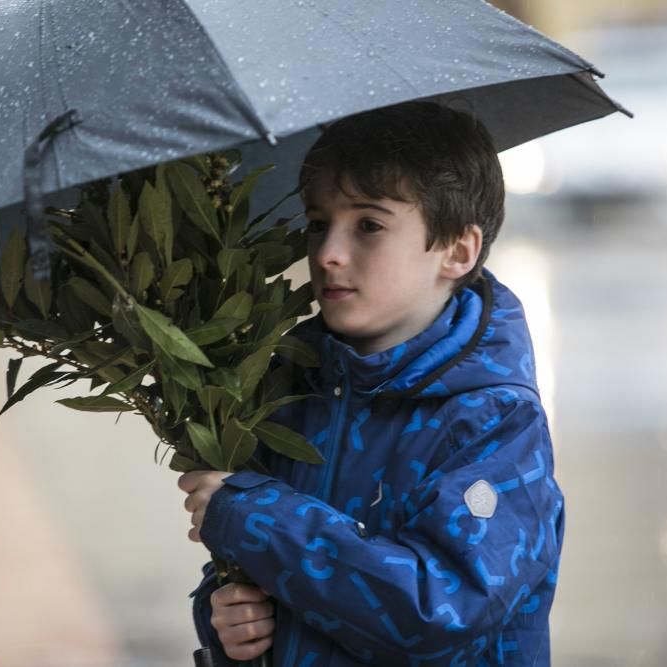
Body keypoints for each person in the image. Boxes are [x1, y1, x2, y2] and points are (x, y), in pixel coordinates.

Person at [178, 101, 564, 666]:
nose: (329, 254)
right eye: (317, 224)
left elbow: (440, 612)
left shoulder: (495, 421)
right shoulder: (288, 388)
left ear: (458, 250)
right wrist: (225, 618)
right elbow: (264, 576)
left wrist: (255, 518)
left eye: (369, 225)